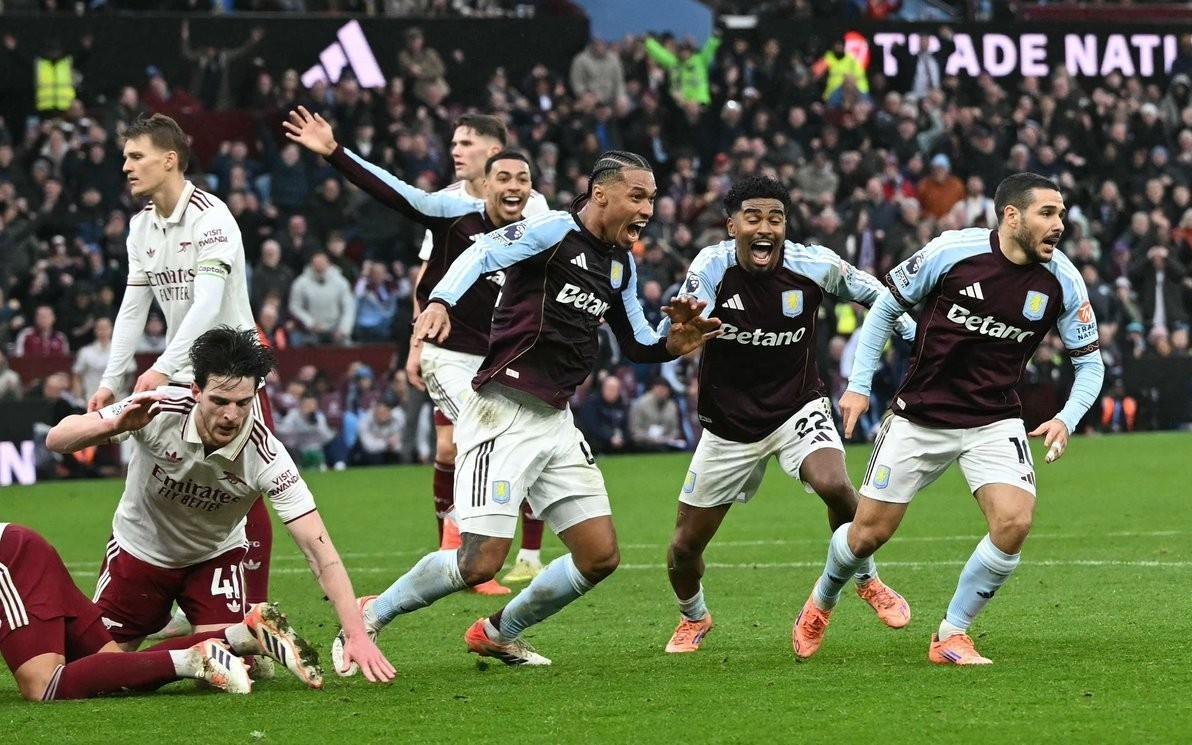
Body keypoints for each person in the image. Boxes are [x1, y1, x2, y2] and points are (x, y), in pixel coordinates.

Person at [331, 151, 720, 672]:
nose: (648, 209)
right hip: (502, 412)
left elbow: (638, 342)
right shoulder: (552, 231)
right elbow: (481, 252)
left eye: (651, 198)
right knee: (479, 562)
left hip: (556, 420)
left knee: (599, 556)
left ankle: (498, 633)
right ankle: (369, 615)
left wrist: (675, 342)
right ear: (600, 194)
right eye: (638, 196)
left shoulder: (621, 265)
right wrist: (441, 301)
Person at [793, 173, 1105, 665]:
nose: (1059, 224)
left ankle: (951, 634)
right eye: (1047, 213)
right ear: (1011, 217)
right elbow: (884, 310)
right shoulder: (952, 251)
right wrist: (858, 384)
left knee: (1014, 522)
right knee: (867, 534)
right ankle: (822, 599)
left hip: (994, 419)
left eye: (1061, 214)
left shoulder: (1063, 279)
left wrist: (1067, 418)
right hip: (921, 417)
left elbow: (1090, 364)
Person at [285, 107, 546, 590]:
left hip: (501, 354)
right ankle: (462, 549)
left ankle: (505, 551)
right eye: (454, 143)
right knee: (473, 439)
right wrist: (335, 152)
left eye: (465, 143)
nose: (455, 151)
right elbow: (396, 196)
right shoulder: (448, 207)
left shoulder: (536, 214)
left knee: (513, 441)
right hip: (450, 352)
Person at [47, 327, 395, 684]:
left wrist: (356, 634)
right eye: (220, 401)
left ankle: (245, 638)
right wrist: (111, 427)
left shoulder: (266, 455)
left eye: (243, 403)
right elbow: (56, 438)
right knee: (99, 673)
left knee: (216, 677)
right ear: (196, 391)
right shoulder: (158, 408)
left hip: (213, 558)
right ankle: (245, 637)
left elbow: (318, 550)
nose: (231, 415)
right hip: (139, 554)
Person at [661, 176, 914, 654]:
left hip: (797, 408)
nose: (765, 228)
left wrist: (914, 333)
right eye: (753, 218)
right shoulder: (712, 265)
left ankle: (866, 578)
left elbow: (878, 295)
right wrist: (681, 333)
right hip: (729, 425)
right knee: (683, 549)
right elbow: (686, 318)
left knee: (837, 487)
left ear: (785, 226)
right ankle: (693, 616)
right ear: (731, 226)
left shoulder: (814, 264)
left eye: (775, 219)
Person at [87, 114, 275, 621]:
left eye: (136, 156)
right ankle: (128, 600)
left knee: (247, 482)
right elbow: (133, 309)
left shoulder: (212, 219)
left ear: (169, 159)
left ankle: (254, 610)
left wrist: (163, 366)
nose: (126, 166)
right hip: (182, 372)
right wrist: (110, 380)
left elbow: (209, 304)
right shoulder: (141, 227)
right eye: (125, 157)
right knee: (148, 473)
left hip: (232, 372)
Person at [1, 521, 262, 700]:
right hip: (18, 547)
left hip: (9, 557)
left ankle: (196, 659)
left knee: (42, 684)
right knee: (112, 669)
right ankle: (245, 634)